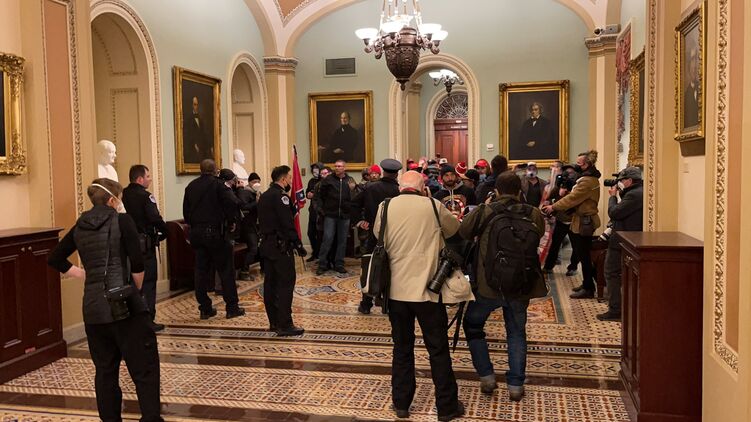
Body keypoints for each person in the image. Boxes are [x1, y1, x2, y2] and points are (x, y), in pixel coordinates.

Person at [47, 178, 163, 422]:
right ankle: (150, 418)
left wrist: (84, 274)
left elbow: (55, 258)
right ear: (112, 200)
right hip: (125, 305)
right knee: (144, 368)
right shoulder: (123, 220)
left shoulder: (80, 225)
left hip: (93, 308)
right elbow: (138, 264)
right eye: (119, 198)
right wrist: (135, 291)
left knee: (105, 371)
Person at [373, 171, 464, 421]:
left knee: (402, 347)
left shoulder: (385, 207)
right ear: (423, 187)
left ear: (399, 187)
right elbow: (454, 229)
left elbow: (378, 235)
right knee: (438, 349)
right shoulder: (433, 205)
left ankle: (401, 403)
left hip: (396, 292)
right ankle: (446, 407)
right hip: (428, 291)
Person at [459, 172, 546, 402]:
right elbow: (539, 234)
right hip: (521, 284)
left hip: (489, 285)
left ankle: (487, 376)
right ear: (520, 191)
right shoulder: (533, 213)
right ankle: (515, 385)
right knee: (516, 332)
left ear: (496, 190)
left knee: (473, 325)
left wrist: (484, 205)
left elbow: (464, 231)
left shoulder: (486, 210)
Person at [183, 159, 245, 319]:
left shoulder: (191, 186)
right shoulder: (219, 185)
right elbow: (233, 203)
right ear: (216, 170)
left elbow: (186, 213)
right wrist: (231, 222)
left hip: (197, 234)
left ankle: (205, 308)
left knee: (200, 272)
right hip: (216, 234)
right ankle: (232, 307)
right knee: (226, 271)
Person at [542, 150, 602, 299]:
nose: (576, 165)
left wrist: (553, 207)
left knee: (584, 255)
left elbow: (572, 199)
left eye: (579, 163)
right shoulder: (588, 179)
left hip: (584, 222)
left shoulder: (586, 181)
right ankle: (587, 283)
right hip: (580, 220)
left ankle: (588, 288)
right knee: (583, 253)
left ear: (586, 165)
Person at [258, 165, 307, 336]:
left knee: (270, 285)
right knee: (285, 284)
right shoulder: (281, 197)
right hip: (280, 247)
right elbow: (287, 223)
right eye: (290, 178)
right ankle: (285, 324)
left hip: (266, 245)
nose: (291, 182)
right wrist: (298, 244)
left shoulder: (264, 196)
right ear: (284, 179)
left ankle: (274, 322)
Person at [350, 158, 402, 314]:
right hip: (395, 235)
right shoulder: (399, 191)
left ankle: (366, 304)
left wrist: (360, 221)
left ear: (383, 172)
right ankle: (389, 302)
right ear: (396, 174)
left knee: (371, 267)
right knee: (394, 268)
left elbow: (353, 204)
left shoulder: (370, 188)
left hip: (374, 233)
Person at [122, 165, 168, 332]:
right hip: (144, 246)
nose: (150, 179)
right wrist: (166, 231)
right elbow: (154, 218)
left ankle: (133, 318)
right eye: (148, 176)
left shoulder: (122, 195)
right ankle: (148, 319)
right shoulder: (146, 196)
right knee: (148, 282)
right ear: (140, 179)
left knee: (131, 283)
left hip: (126, 246)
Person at [598, 166, 643, 321]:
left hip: (622, 240)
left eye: (621, 180)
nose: (618, 183)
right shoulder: (637, 192)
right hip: (627, 238)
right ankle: (619, 307)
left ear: (629, 180)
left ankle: (615, 310)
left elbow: (615, 213)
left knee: (611, 273)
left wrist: (612, 197)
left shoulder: (634, 195)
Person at [315, 160, 355, 275]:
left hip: (345, 215)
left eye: (340, 166)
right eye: (336, 166)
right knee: (327, 239)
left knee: (342, 240)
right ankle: (322, 264)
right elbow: (320, 196)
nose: (337, 168)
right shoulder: (328, 179)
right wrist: (321, 210)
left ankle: (339, 264)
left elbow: (355, 197)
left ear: (344, 168)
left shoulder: (350, 180)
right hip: (330, 215)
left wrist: (353, 190)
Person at [543, 165, 580, 276]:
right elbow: (549, 200)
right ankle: (548, 266)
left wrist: (568, 193)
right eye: (566, 173)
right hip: (561, 220)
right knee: (555, 245)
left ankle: (573, 267)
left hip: (574, 220)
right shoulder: (559, 187)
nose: (569, 176)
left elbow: (576, 201)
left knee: (576, 247)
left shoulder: (579, 188)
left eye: (571, 173)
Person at [237, 172, 262, 280]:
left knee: (258, 247)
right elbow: (244, 208)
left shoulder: (257, 193)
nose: (256, 184)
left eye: (258, 182)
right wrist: (256, 202)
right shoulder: (245, 193)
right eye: (254, 182)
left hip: (256, 225)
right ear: (249, 182)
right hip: (247, 226)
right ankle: (244, 271)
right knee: (253, 249)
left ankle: (262, 268)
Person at [184, 96, 213, 163]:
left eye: (197, 104)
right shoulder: (188, 119)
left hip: (203, 147)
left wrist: (210, 146)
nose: (196, 107)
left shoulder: (201, 118)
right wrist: (194, 144)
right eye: (195, 104)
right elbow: (188, 135)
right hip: (193, 148)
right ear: (191, 105)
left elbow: (205, 133)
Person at [305, 162, 324, 262]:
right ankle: (315, 252)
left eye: (317, 168)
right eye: (313, 169)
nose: (315, 170)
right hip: (312, 211)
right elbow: (307, 192)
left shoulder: (325, 181)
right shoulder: (311, 181)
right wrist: (308, 194)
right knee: (310, 233)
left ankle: (320, 254)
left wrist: (315, 194)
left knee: (320, 234)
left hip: (321, 212)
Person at [684, 48, 700, 128]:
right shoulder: (686, 94)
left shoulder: (701, 89)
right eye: (692, 69)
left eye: (696, 69)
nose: (694, 72)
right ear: (689, 70)